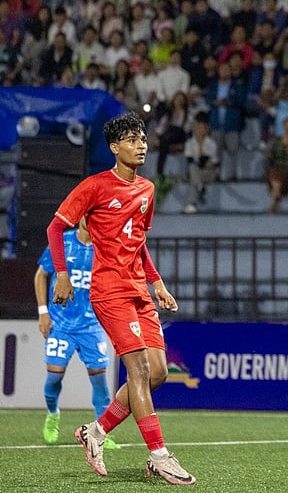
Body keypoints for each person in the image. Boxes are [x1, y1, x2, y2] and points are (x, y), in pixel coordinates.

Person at [45, 113, 194, 485]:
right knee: (139, 371)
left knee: (158, 373)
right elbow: (55, 227)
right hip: (109, 291)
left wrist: (157, 282)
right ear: (114, 148)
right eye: (130, 139)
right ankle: (159, 456)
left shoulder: (147, 189)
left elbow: (138, 242)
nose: (140, 145)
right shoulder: (94, 186)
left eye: (142, 138)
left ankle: (94, 432)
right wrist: (62, 274)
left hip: (140, 291)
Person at [34, 219, 119, 450]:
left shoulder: (104, 248)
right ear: (80, 217)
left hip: (92, 325)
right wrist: (43, 312)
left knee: (100, 380)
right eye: (86, 214)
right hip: (60, 324)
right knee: (54, 377)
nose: (90, 219)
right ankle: (53, 414)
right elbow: (41, 275)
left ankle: (102, 432)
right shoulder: (62, 242)